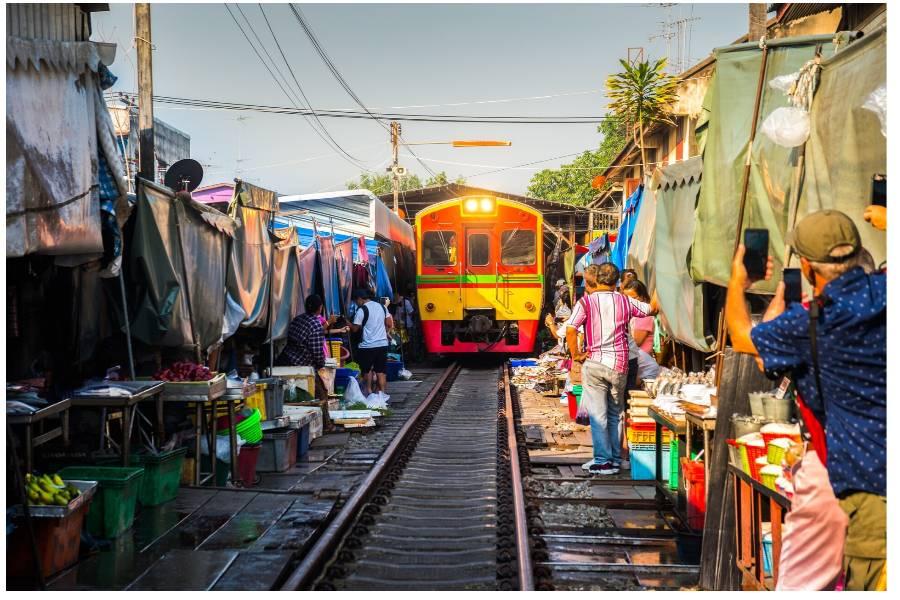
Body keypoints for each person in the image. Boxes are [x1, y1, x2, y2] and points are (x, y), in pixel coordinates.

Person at [724, 210, 886, 591]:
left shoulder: (809, 323)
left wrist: (738, 282)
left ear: (808, 268)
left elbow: (742, 335)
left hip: (866, 483)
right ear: (860, 253)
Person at [567, 263, 659, 476]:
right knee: (616, 412)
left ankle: (602, 461)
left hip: (596, 363)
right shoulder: (625, 301)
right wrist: (659, 283)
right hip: (620, 364)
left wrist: (577, 355)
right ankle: (616, 460)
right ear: (617, 281)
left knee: (598, 414)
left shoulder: (586, 302)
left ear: (597, 278)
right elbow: (652, 309)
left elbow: (571, 329)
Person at [275, 294, 334, 431]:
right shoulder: (315, 325)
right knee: (321, 394)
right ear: (320, 308)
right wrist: (320, 365)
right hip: (301, 366)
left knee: (289, 396)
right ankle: (326, 426)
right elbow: (317, 351)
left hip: (284, 359)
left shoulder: (297, 319)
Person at [350, 289, 394, 396]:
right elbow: (389, 323)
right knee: (380, 371)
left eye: (356, 301)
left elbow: (355, 329)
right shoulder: (382, 307)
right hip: (382, 345)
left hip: (367, 346)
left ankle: (368, 392)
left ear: (360, 299)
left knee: (367, 370)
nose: (356, 303)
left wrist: (348, 323)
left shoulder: (361, 310)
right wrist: (385, 333)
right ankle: (382, 395)